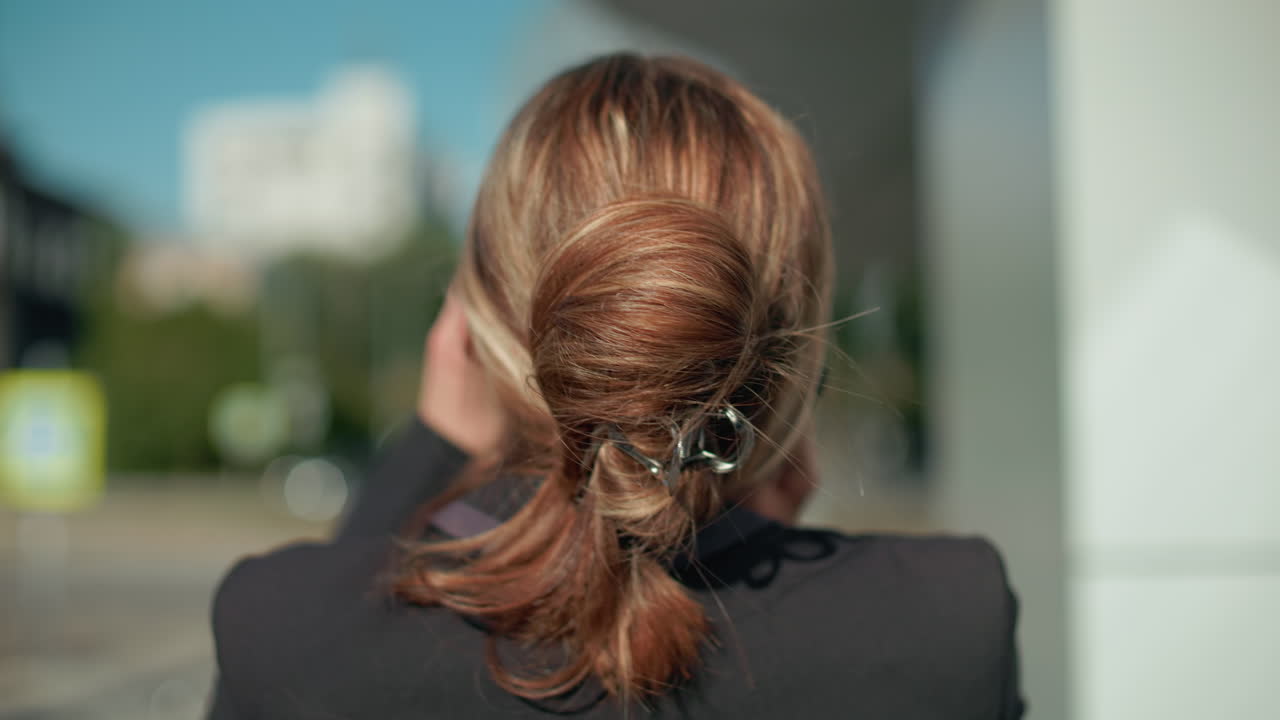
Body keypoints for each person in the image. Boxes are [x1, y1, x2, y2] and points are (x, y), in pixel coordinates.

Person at [207, 53, 1024, 719]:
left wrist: (429, 449)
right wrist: (740, 489)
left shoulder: (278, 625)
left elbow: (345, 610)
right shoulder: (948, 623)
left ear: (471, 334)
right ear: (793, 355)